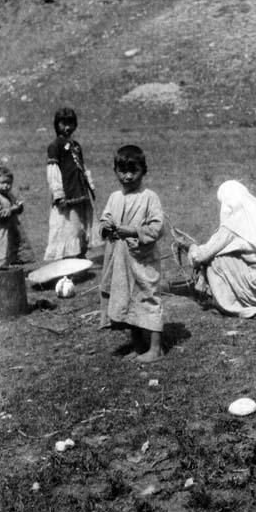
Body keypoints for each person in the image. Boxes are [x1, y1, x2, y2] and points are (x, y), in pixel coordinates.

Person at [187, 180, 256, 319]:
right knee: (227, 255)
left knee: (216, 261)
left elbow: (201, 256)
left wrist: (191, 247)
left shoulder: (232, 225)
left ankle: (232, 305)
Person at [99, 145, 164, 363]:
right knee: (127, 299)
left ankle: (156, 348)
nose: (127, 176)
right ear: (115, 170)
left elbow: (157, 228)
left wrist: (134, 231)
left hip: (142, 259)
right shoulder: (114, 197)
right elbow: (104, 220)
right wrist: (106, 226)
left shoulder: (149, 197)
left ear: (143, 170)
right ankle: (138, 345)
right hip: (120, 261)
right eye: (122, 171)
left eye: (132, 171)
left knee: (148, 297)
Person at [44, 107, 98, 261]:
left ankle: (80, 255)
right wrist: (58, 194)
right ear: (57, 125)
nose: (67, 128)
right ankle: (68, 260)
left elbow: (82, 166)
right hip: (67, 194)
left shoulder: (76, 146)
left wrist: (89, 185)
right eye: (63, 124)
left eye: (70, 124)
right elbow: (53, 172)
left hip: (80, 191)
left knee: (80, 225)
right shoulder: (55, 146)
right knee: (67, 226)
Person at [0, 165, 34, 271]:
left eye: (8, 183)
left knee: (10, 250)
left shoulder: (10, 195)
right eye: (2, 183)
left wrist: (19, 207)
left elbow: (16, 208)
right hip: (0, 231)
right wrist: (12, 209)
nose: (6, 186)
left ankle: (9, 269)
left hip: (11, 229)